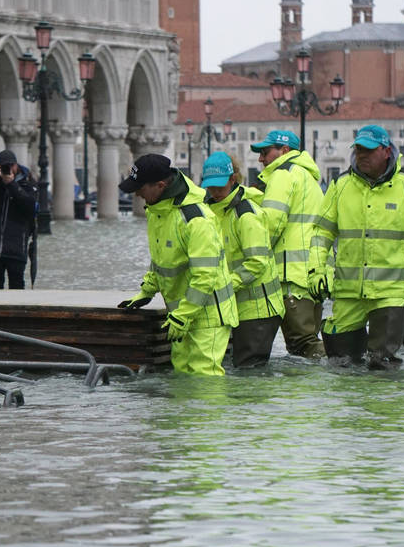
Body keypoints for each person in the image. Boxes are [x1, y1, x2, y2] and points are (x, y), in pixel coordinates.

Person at [309, 125, 404, 369]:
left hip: (391, 292)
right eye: (358, 150)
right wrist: (316, 271)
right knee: (340, 363)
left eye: (369, 150)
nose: (362, 155)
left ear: (386, 151)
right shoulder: (341, 185)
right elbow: (321, 233)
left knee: (382, 364)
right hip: (348, 290)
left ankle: (386, 405)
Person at [117, 153, 239, 376]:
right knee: (182, 377)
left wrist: (183, 315)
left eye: (141, 188)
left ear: (160, 185)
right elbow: (162, 260)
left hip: (208, 315)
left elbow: (205, 276)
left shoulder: (196, 219)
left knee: (205, 379)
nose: (136, 193)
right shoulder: (158, 211)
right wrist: (146, 292)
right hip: (180, 314)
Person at [201, 151, 285, 368]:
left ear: (233, 179)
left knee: (249, 370)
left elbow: (257, 262)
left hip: (259, 309)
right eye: (211, 186)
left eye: (220, 186)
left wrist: (225, 285)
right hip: (233, 305)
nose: (216, 191)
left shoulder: (246, 214)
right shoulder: (209, 212)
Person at [251, 130, 327, 358]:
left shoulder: (282, 175)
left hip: (290, 276)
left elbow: (271, 226)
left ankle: (348, 372)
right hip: (310, 276)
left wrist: (251, 258)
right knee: (309, 341)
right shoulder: (308, 178)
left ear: (285, 151)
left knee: (303, 345)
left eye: (266, 152)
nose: (261, 159)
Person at [0, 149, 37, 289]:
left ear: (16, 165)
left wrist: (11, 184)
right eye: (4, 166)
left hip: (16, 249)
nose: (8, 169)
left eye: (10, 165)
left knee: (17, 288)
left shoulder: (27, 184)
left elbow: (30, 207)